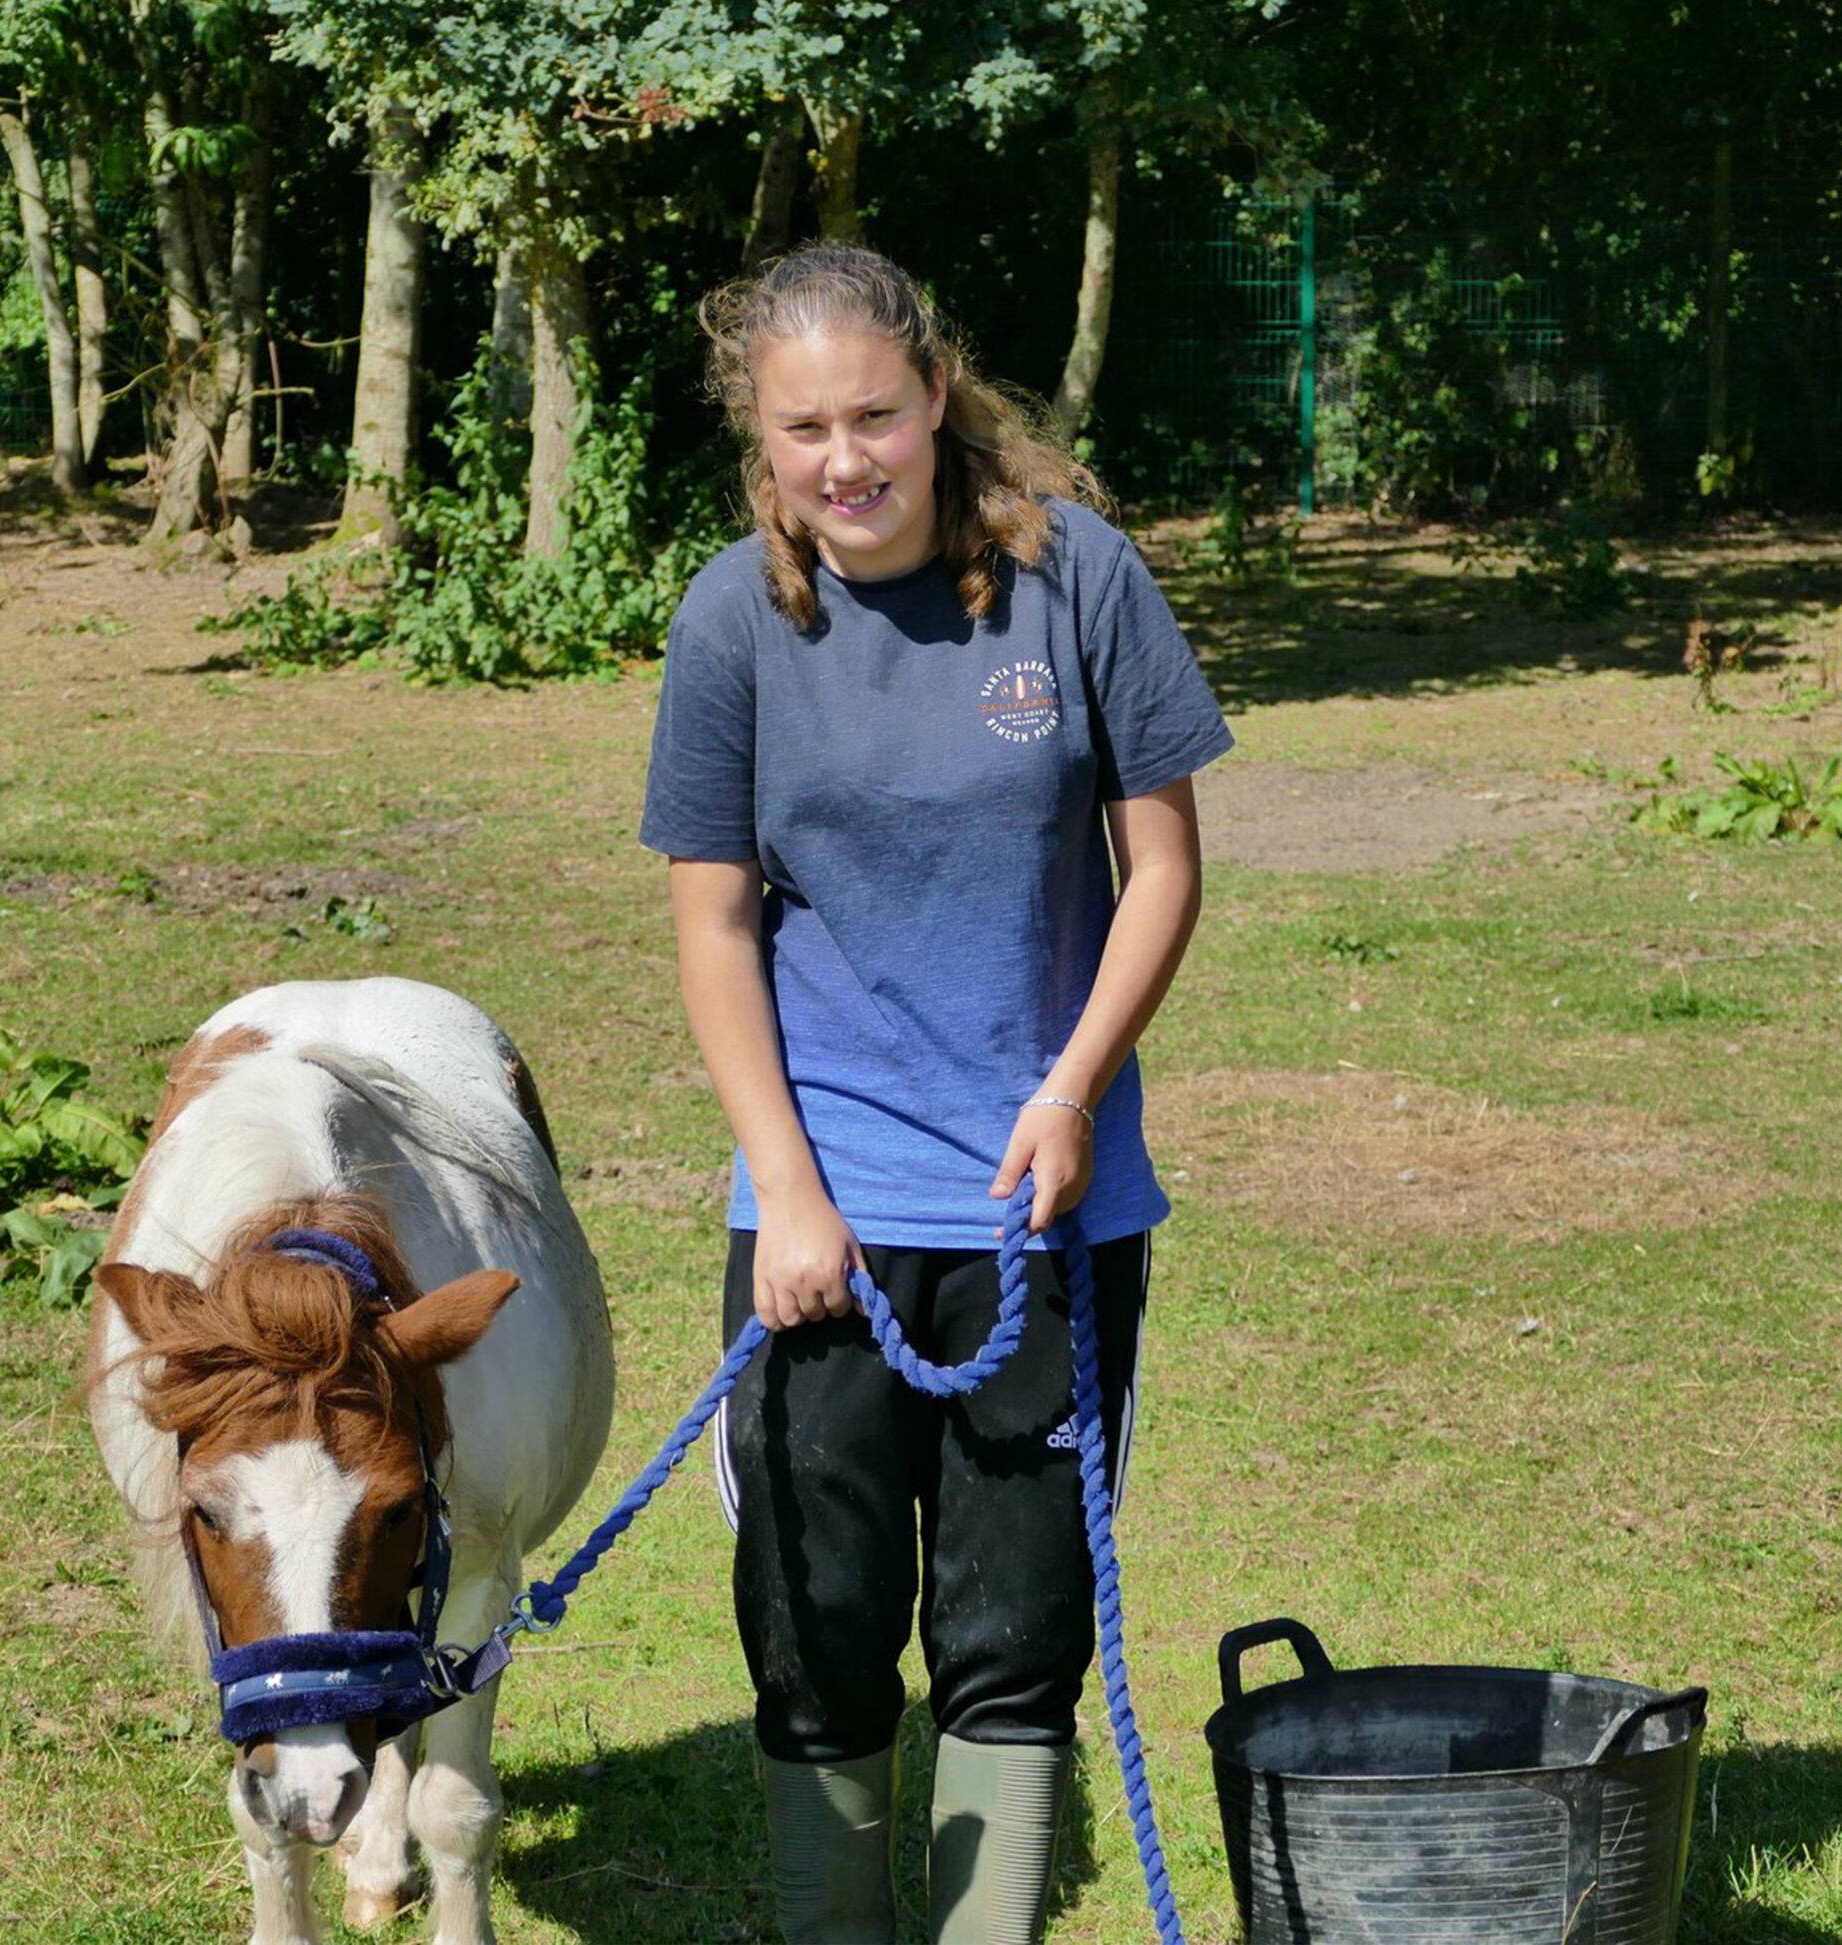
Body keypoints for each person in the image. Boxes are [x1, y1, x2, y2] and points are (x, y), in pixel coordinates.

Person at [637, 245, 1233, 1945]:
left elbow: (1165, 868)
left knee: (1017, 1626)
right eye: (805, 429)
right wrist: (787, 1187)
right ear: (765, 442)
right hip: (816, 1212)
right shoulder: (731, 618)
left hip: (1045, 1206)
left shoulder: (1076, 580)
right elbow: (712, 919)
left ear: (936, 396)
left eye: (875, 416)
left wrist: (1071, 1097)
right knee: (817, 1625)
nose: (848, 459)